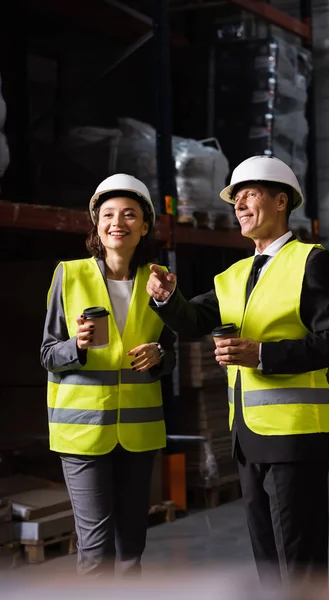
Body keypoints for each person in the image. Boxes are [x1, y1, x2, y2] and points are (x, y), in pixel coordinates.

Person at [146, 156, 329, 585]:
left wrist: (262, 355)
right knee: (267, 560)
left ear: (282, 201)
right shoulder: (232, 276)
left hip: (294, 437)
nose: (240, 205)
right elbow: (191, 321)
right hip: (246, 435)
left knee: (300, 559)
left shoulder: (310, 261)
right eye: (236, 199)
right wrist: (168, 299)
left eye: (250, 195)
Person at [40, 173, 176, 576]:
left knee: (132, 548)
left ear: (145, 225)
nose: (118, 222)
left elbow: (171, 354)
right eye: (109, 214)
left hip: (139, 433)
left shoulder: (158, 280)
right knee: (96, 550)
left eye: (130, 214)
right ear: (97, 225)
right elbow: (48, 354)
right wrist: (77, 346)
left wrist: (159, 354)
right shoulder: (70, 274)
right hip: (83, 432)